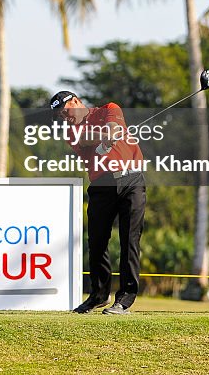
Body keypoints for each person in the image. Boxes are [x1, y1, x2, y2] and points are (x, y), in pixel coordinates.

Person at [50, 90, 146, 316]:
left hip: (131, 180)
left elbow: (114, 129)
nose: (65, 117)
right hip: (102, 185)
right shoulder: (71, 131)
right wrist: (103, 139)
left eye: (66, 111)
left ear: (76, 101)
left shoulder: (109, 109)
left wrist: (110, 135)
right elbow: (83, 139)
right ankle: (98, 296)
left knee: (129, 240)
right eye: (61, 116)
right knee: (97, 241)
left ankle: (124, 300)